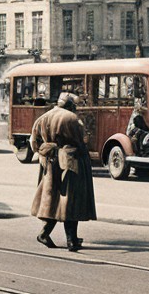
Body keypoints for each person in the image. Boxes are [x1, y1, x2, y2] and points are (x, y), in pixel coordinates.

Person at [29, 91, 96, 252]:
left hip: (51, 162)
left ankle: (45, 233)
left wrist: (43, 153)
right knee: (71, 201)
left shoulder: (44, 116)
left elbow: (34, 142)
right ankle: (71, 240)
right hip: (70, 162)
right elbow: (82, 140)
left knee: (54, 201)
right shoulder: (72, 118)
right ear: (70, 105)